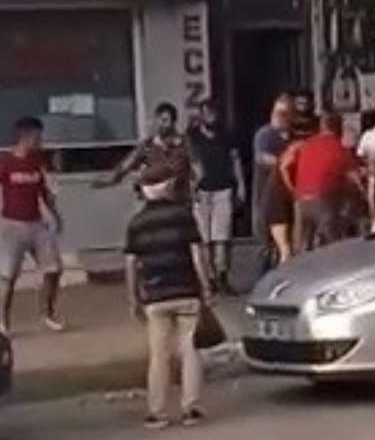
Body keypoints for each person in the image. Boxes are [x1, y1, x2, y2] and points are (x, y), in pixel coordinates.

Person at [124, 164, 207, 430]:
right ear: (168, 186)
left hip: (154, 295)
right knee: (189, 350)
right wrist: (206, 286)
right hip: (185, 290)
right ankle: (190, 408)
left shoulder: (136, 223)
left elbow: (131, 265)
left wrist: (133, 298)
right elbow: (197, 255)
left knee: (159, 355)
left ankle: (157, 411)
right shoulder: (183, 216)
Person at [0, 116, 65, 335]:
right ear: (25, 136)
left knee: (54, 269)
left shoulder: (37, 161)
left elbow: (44, 192)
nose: (40, 141)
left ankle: (47, 314)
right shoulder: (6, 161)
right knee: (9, 277)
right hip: (13, 226)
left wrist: (56, 215)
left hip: (36, 223)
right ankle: (4, 322)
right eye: (37, 137)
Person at [187, 99, 246, 295]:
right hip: (201, 192)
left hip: (223, 189)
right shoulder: (193, 137)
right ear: (200, 116)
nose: (210, 117)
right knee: (205, 239)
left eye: (213, 113)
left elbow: (235, 160)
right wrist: (190, 187)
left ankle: (222, 276)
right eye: (206, 113)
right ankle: (209, 278)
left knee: (222, 236)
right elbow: (188, 163)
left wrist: (241, 186)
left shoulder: (227, 136)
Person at [282, 111, 360, 251]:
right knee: (333, 245)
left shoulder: (305, 145)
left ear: (321, 127)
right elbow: (355, 179)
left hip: (301, 200)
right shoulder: (339, 148)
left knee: (302, 245)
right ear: (339, 128)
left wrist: (292, 189)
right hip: (324, 200)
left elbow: (285, 166)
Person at [93, 101, 184, 192]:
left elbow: (175, 169)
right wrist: (113, 178)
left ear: (173, 123)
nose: (161, 125)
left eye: (165, 121)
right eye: (159, 120)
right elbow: (127, 164)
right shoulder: (147, 145)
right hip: (153, 195)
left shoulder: (181, 144)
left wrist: (144, 175)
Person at [252, 95, 293, 272]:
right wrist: (284, 161)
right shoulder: (265, 134)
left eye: (284, 114)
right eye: (277, 113)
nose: (279, 117)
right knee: (265, 246)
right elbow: (261, 157)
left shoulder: (291, 137)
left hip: (286, 197)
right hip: (265, 196)